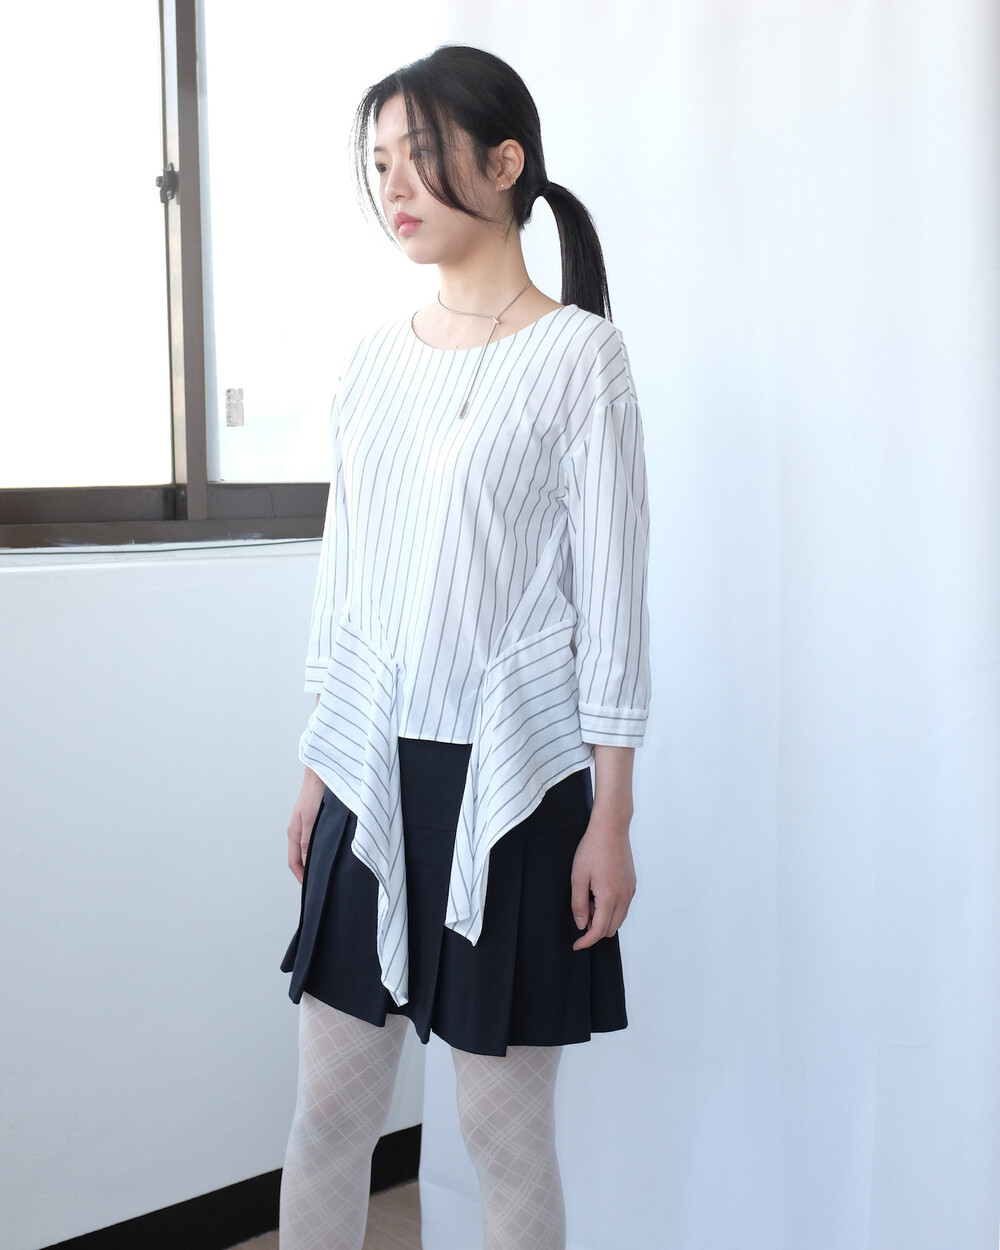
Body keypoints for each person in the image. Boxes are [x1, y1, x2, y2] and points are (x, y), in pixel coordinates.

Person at [278, 44, 650, 1250]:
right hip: (366, 772)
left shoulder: (580, 357)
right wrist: (317, 760)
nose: (394, 183)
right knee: (326, 1116)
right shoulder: (370, 363)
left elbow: (615, 602)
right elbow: (344, 579)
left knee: (502, 1136)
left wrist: (610, 813)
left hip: (514, 789)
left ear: (504, 163)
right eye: (379, 160)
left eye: (421, 155)